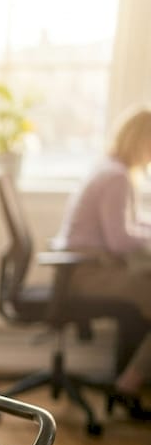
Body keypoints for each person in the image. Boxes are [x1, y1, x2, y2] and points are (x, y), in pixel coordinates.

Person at [51, 104, 151, 418]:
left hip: (83, 270)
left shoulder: (108, 169)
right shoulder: (118, 177)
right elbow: (119, 241)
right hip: (89, 274)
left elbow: (124, 229)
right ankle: (129, 383)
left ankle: (129, 381)